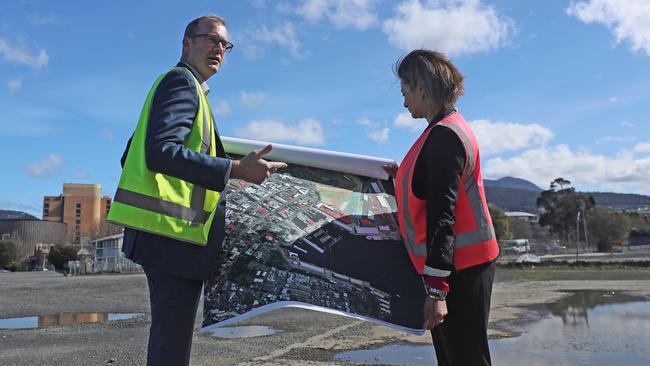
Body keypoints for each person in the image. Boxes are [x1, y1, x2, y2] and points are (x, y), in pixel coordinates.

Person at [107, 14, 287, 366]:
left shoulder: (188, 90)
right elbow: (160, 153)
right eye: (211, 39)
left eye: (225, 44)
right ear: (186, 44)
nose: (219, 48)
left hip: (166, 237)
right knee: (171, 349)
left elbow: (131, 153)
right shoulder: (181, 83)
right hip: (170, 239)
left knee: (169, 342)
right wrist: (235, 169)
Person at [384, 49, 500, 365]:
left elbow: (442, 217)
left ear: (420, 87)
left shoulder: (443, 136)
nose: (404, 100)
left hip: (461, 271)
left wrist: (436, 292)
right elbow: (428, 191)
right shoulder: (443, 130)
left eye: (405, 91)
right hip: (458, 268)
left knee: (464, 359)